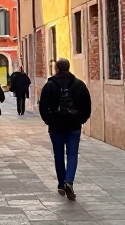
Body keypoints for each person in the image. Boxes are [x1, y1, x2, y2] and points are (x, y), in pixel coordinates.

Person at [39, 58, 91, 201]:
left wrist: (49, 120)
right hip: (73, 125)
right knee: (73, 154)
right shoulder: (79, 85)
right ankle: (69, 181)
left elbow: (43, 107)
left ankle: (62, 184)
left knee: (59, 155)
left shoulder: (49, 85)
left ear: (56, 69)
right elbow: (87, 106)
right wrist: (80, 120)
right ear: (69, 67)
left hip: (56, 126)